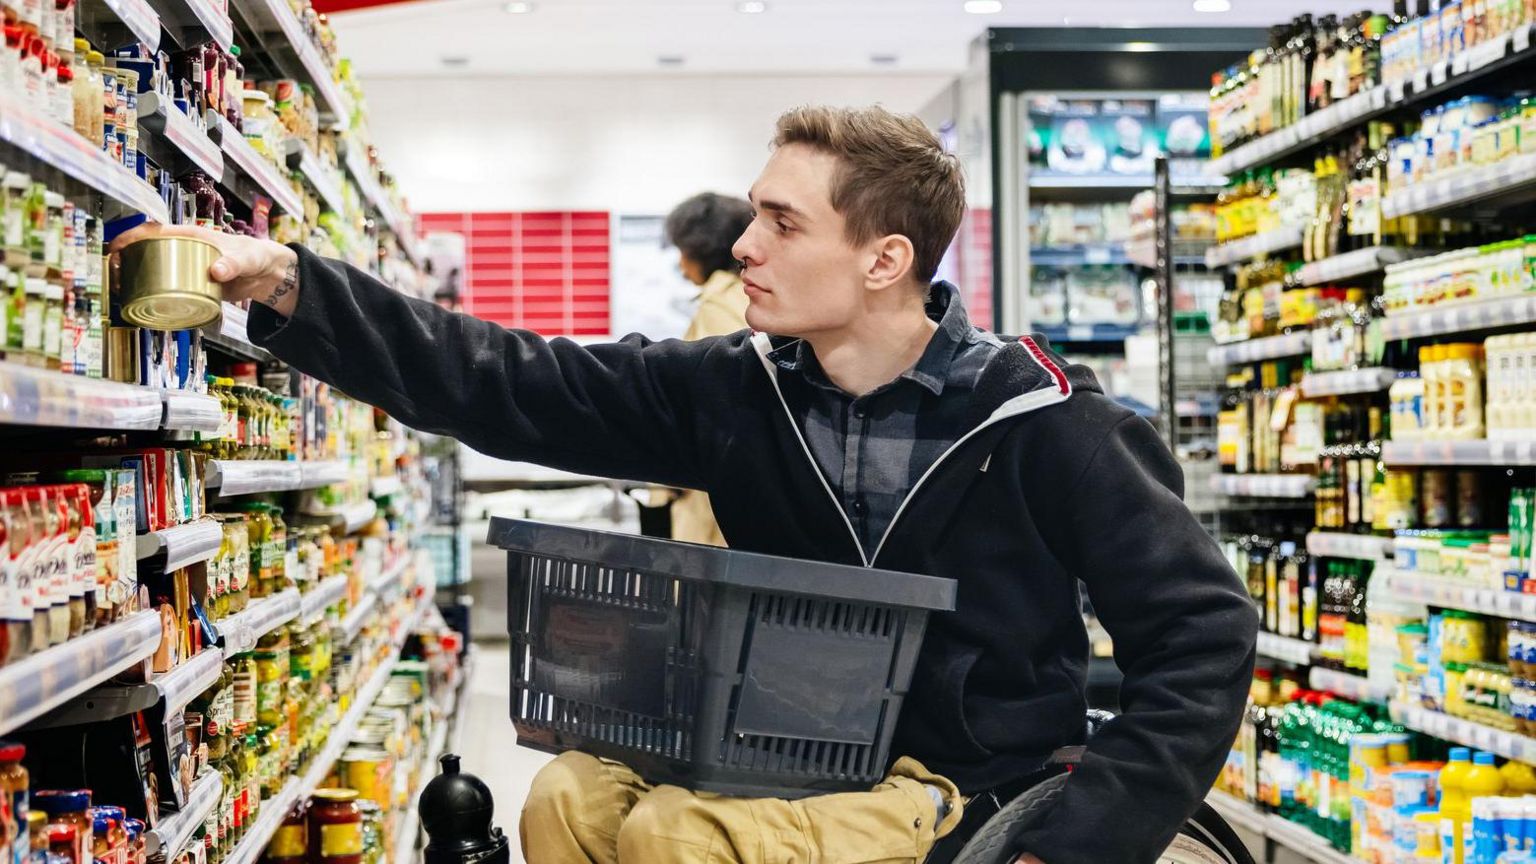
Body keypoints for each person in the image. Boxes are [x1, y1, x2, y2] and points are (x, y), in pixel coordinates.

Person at [112, 104, 1258, 864]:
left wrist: (1084, 844)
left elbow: (1200, 637)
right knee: (564, 799)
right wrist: (293, 291)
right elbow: (508, 380)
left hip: (964, 776)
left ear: (883, 259)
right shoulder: (734, 388)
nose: (744, 245)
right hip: (775, 740)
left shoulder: (1044, 421)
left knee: (676, 839)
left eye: (780, 220)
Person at [652, 192, 754, 546]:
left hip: (711, 490)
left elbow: (712, 398)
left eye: (683, 250)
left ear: (701, 248)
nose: (681, 264)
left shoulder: (718, 305)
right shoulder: (747, 296)